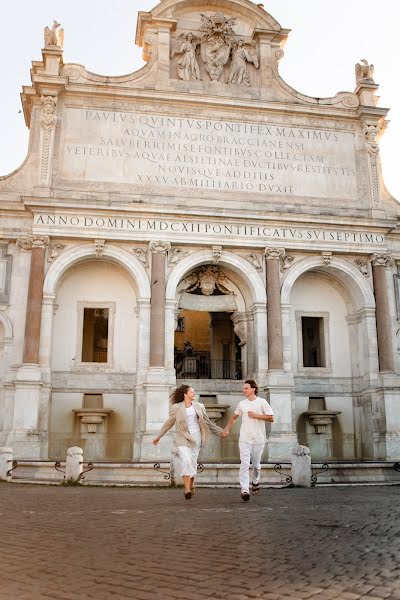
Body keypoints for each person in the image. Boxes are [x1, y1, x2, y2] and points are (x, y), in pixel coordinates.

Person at [152, 384, 223, 499]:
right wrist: (158, 436)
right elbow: (169, 423)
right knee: (186, 460)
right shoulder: (176, 408)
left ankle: (191, 484)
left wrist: (220, 431)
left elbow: (207, 422)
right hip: (183, 437)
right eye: (191, 392)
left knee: (193, 462)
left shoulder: (199, 406)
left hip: (197, 438)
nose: (194, 394)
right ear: (185, 394)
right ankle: (187, 489)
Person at [221, 379, 274, 501]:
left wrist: (257, 416)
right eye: (243, 388)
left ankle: (255, 481)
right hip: (244, 439)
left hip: (259, 439)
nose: (243, 390)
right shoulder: (242, 404)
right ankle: (244, 489)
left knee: (256, 466)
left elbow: (271, 418)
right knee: (244, 464)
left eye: (246, 388)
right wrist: (226, 429)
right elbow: (234, 417)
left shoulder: (262, 402)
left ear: (253, 389)